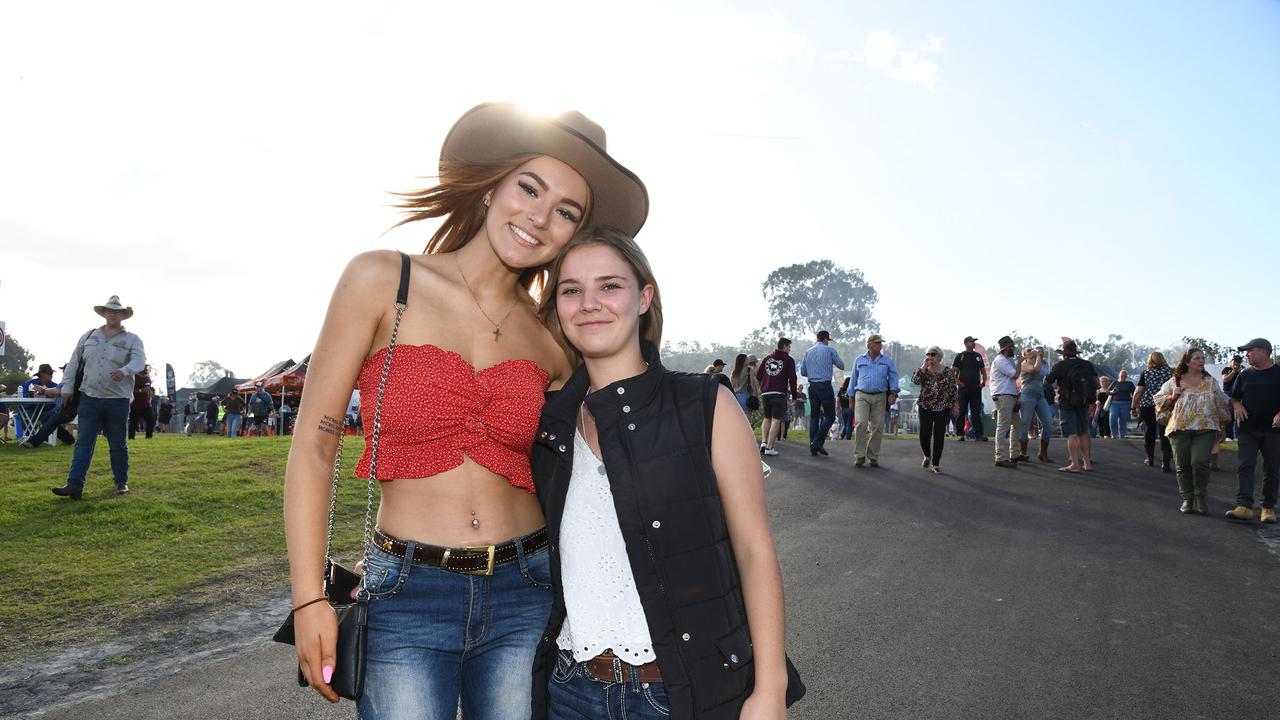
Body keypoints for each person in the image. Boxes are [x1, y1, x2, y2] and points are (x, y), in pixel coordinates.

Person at [283, 102, 648, 716]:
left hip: (526, 591)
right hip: (406, 592)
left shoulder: (553, 339)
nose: (540, 217)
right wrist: (308, 599)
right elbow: (314, 446)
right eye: (529, 188)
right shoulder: (383, 282)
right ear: (491, 187)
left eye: (566, 212)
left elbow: (603, 458)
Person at [530, 226, 799, 720]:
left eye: (609, 286)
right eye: (571, 290)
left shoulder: (705, 403)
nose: (590, 303)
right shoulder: (549, 425)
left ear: (644, 298)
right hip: (570, 691)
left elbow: (753, 551)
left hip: (676, 694)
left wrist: (770, 689)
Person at [46, 295, 146, 499]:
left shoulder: (132, 339)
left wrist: (125, 370)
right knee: (83, 442)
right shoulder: (89, 336)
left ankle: (121, 482)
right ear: (104, 313)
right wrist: (66, 388)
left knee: (118, 443)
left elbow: (140, 362)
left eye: (117, 311)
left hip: (117, 399)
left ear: (123, 315)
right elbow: (74, 362)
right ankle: (74, 486)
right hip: (89, 397)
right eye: (109, 310)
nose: (112, 313)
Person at [1154, 348, 1231, 515]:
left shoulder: (1210, 382)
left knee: (1200, 461)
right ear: (1188, 362)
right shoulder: (1174, 381)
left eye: (1203, 358)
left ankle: (1200, 496)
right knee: (1182, 465)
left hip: (1206, 429)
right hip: (1179, 428)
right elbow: (1158, 402)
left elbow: (1220, 404)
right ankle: (1187, 499)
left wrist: (1223, 427)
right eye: (1197, 358)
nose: (1201, 361)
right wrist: (1172, 396)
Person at [1226, 338, 1280, 523]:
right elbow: (1233, 398)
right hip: (1247, 429)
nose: (1246, 354)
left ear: (1264, 352)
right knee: (1245, 466)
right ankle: (1244, 506)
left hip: (1274, 431)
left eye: (1250, 350)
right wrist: (1237, 405)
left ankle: (1268, 507)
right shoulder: (1244, 375)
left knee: (1272, 469)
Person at [1044, 339, 1099, 473]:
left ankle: (1074, 464)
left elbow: (1047, 381)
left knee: (1071, 433)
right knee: (1083, 432)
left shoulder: (1060, 365)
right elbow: (1096, 383)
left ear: (1064, 354)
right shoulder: (1087, 365)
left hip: (1067, 402)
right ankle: (1087, 463)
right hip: (1084, 402)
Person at [851, 333, 899, 468]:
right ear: (869, 345)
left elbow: (894, 376)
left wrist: (893, 392)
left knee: (877, 426)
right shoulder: (859, 360)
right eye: (877, 343)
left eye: (880, 343)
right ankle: (860, 455)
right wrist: (850, 398)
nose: (880, 345)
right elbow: (853, 380)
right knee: (861, 423)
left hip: (880, 395)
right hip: (861, 395)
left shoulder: (887, 361)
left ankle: (872, 456)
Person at [911, 346, 958, 474]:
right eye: (928, 354)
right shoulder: (923, 370)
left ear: (939, 357)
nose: (930, 357)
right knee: (924, 434)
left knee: (939, 436)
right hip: (925, 406)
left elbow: (953, 389)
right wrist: (924, 367)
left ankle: (936, 463)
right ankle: (927, 455)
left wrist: (955, 404)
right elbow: (914, 381)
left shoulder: (947, 371)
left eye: (933, 354)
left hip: (943, 407)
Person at [799, 329, 845, 457]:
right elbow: (841, 365)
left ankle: (813, 446)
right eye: (827, 340)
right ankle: (817, 442)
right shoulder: (829, 350)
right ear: (825, 339)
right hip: (825, 385)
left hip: (812, 386)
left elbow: (803, 372)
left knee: (814, 416)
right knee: (829, 416)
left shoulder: (808, 352)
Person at [1131, 352, 1173, 472]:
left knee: (1149, 430)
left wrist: (1133, 406)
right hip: (1165, 404)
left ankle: (1150, 458)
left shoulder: (1146, 372)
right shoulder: (1170, 372)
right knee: (1165, 432)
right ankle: (1165, 463)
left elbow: (1139, 390)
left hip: (1148, 404)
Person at [756, 338, 797, 457]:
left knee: (767, 418)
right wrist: (794, 395)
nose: (789, 349)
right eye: (789, 347)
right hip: (779, 393)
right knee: (776, 420)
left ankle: (764, 442)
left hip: (765, 393)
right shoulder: (789, 360)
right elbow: (792, 378)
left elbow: (758, 376)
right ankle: (770, 447)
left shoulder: (767, 358)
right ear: (784, 346)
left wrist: (764, 386)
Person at [990, 335, 1024, 468]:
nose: (1013, 349)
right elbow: (1015, 375)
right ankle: (1000, 457)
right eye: (1011, 347)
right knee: (1003, 426)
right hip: (1003, 396)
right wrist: (1020, 362)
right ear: (1006, 348)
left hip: (1009, 395)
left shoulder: (1005, 360)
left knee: (1016, 423)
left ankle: (1014, 453)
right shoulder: (1001, 360)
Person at [1018, 347, 1055, 463]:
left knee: (1048, 423)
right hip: (1027, 395)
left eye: (1032, 350)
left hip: (1040, 396)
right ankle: (1022, 453)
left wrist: (1039, 357)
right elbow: (1036, 370)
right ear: (1024, 355)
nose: (1032, 351)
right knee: (1025, 423)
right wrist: (1039, 356)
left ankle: (1043, 453)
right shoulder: (1024, 364)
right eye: (1028, 350)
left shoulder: (1041, 363)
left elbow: (1044, 374)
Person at [952, 336, 988, 441]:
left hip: (976, 388)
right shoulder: (960, 356)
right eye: (971, 341)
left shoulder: (978, 356)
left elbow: (983, 371)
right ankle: (960, 434)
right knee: (962, 411)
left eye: (974, 342)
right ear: (966, 343)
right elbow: (952, 371)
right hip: (963, 389)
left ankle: (979, 434)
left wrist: (983, 382)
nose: (973, 343)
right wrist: (958, 382)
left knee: (976, 412)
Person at [128, 365, 156, 440]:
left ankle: (149, 437)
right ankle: (131, 438)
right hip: (135, 404)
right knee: (133, 423)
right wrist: (140, 391)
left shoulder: (147, 377)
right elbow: (130, 390)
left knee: (151, 422)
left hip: (146, 405)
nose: (146, 369)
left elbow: (149, 388)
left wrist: (151, 395)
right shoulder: (134, 377)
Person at [1107, 370, 1136, 439]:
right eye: (1122, 375)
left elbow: (1134, 394)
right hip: (1114, 404)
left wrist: (1134, 405)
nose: (1123, 377)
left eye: (1125, 376)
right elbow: (1107, 392)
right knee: (1112, 418)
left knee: (1122, 421)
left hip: (1126, 404)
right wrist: (1112, 392)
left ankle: (1121, 437)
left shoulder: (1130, 384)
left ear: (1126, 376)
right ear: (1119, 376)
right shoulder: (1114, 383)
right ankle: (1114, 435)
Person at [1222, 355, 1243, 440]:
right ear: (1231, 361)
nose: (1236, 363)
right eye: (1234, 361)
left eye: (1238, 362)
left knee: (1237, 416)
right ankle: (1228, 436)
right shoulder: (1226, 369)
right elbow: (1225, 379)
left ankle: (1236, 436)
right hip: (1228, 394)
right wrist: (1234, 371)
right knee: (1228, 416)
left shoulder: (1241, 371)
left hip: (1238, 394)